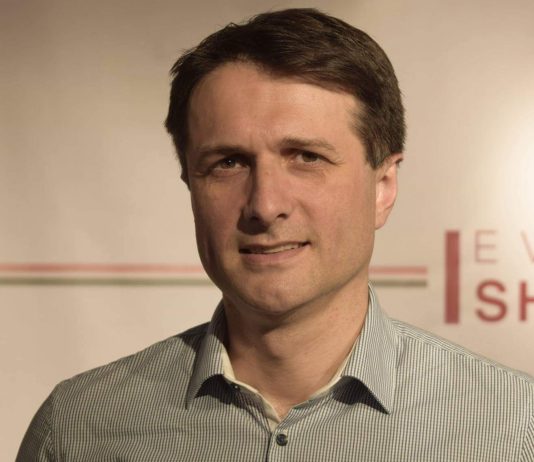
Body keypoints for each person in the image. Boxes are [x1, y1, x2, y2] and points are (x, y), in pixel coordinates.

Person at [17, 8, 534, 461]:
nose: (265, 205)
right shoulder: (78, 430)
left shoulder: (514, 428)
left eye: (306, 157)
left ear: (383, 187)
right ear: (190, 185)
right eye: (228, 162)